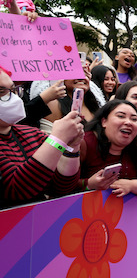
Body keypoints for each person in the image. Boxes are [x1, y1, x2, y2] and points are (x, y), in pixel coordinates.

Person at [0, 65, 82, 206]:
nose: (13, 98)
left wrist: (72, 148)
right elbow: (16, 189)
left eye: (13, 90)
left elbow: (63, 187)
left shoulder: (32, 133)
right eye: (1, 92)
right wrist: (58, 139)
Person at [79, 100, 137, 197]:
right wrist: (88, 184)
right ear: (104, 121)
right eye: (121, 116)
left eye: (133, 119)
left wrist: (133, 185)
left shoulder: (133, 148)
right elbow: (61, 186)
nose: (128, 122)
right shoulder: (84, 143)